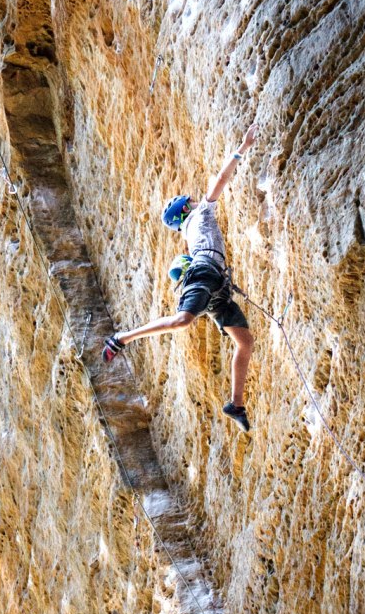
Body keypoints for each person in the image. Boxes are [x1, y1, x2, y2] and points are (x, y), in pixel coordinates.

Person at [102, 126, 259, 432]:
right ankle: (122, 338)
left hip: (217, 287)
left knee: (245, 342)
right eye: (192, 201)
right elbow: (221, 180)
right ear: (187, 209)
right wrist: (242, 148)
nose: (198, 201)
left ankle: (236, 404)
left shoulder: (192, 232)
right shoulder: (199, 216)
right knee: (182, 320)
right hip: (204, 276)